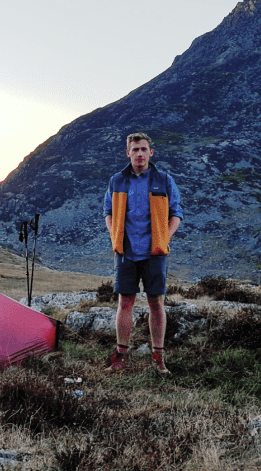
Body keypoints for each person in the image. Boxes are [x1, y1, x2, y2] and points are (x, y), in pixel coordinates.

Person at [103, 132, 183, 375]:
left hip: (155, 252)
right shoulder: (117, 180)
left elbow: (176, 213)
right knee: (124, 302)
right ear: (128, 153)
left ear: (151, 153)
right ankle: (120, 356)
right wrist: (114, 235)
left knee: (156, 303)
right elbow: (108, 212)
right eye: (134, 149)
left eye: (143, 149)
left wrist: (164, 237)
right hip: (126, 251)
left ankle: (158, 356)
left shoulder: (164, 180)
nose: (139, 153)